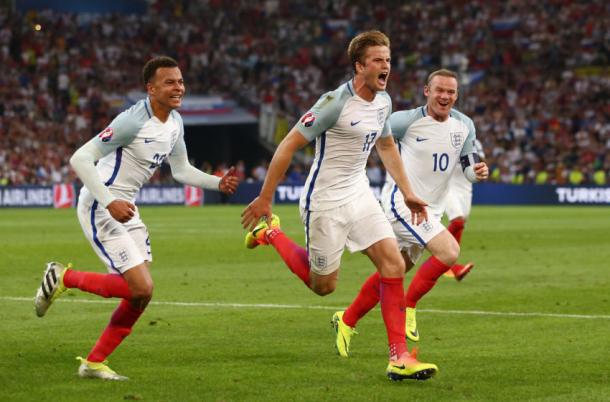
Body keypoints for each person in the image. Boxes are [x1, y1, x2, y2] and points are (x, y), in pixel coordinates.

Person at [240, 30, 438, 381]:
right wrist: (266, 197)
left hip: (360, 193)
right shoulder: (334, 103)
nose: (386, 66)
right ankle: (271, 233)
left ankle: (399, 357)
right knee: (323, 286)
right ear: (359, 66)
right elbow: (287, 145)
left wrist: (407, 191)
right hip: (325, 201)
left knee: (393, 263)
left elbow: (388, 146)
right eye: (378, 60)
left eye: (388, 60)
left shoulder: (383, 102)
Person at [33, 56, 239, 380]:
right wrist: (109, 200)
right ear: (151, 88)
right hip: (101, 204)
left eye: (181, 81)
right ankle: (63, 278)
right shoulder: (132, 121)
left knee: (141, 294)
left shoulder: (175, 123)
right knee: (140, 287)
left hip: (126, 206)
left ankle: (94, 362)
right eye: (169, 82)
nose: (178, 87)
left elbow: (181, 170)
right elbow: (80, 158)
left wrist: (217, 182)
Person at [332, 69, 488, 354]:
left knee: (393, 271)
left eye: (451, 92)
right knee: (449, 252)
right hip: (401, 203)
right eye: (439, 90)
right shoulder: (405, 120)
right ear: (427, 91)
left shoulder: (465, 125)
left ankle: (346, 319)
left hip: (431, 210)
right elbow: (374, 134)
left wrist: (477, 172)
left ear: (457, 95)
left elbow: (469, 165)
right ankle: (410, 305)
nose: (445, 96)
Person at [442, 139, 486, 281]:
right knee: (457, 221)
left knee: (461, 224)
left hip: (465, 186)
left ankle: (448, 264)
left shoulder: (474, 142)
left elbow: (482, 161)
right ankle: (442, 256)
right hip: (447, 184)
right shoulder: (446, 135)